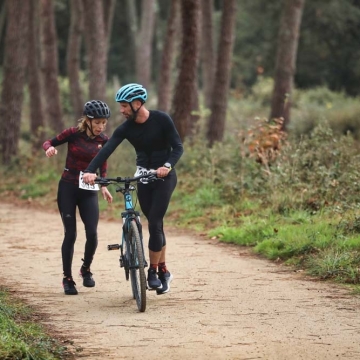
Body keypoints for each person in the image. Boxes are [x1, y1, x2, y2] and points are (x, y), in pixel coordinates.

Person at [82, 83, 183, 295]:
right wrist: (90, 171)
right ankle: (164, 270)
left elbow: (178, 147)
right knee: (155, 225)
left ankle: (153, 272)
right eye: (121, 106)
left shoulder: (162, 119)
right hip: (143, 177)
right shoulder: (126, 128)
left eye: (125, 106)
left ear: (137, 103)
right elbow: (106, 150)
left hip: (164, 176)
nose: (122, 110)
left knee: (155, 222)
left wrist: (166, 166)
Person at [42, 100, 113, 295]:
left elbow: (103, 166)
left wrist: (104, 186)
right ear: (88, 121)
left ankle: (86, 269)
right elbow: (49, 142)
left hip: (89, 190)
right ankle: (67, 278)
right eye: (97, 122)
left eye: (104, 123)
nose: (101, 127)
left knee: (92, 233)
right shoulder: (73, 133)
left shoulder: (104, 141)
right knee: (70, 234)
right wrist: (49, 149)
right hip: (68, 188)